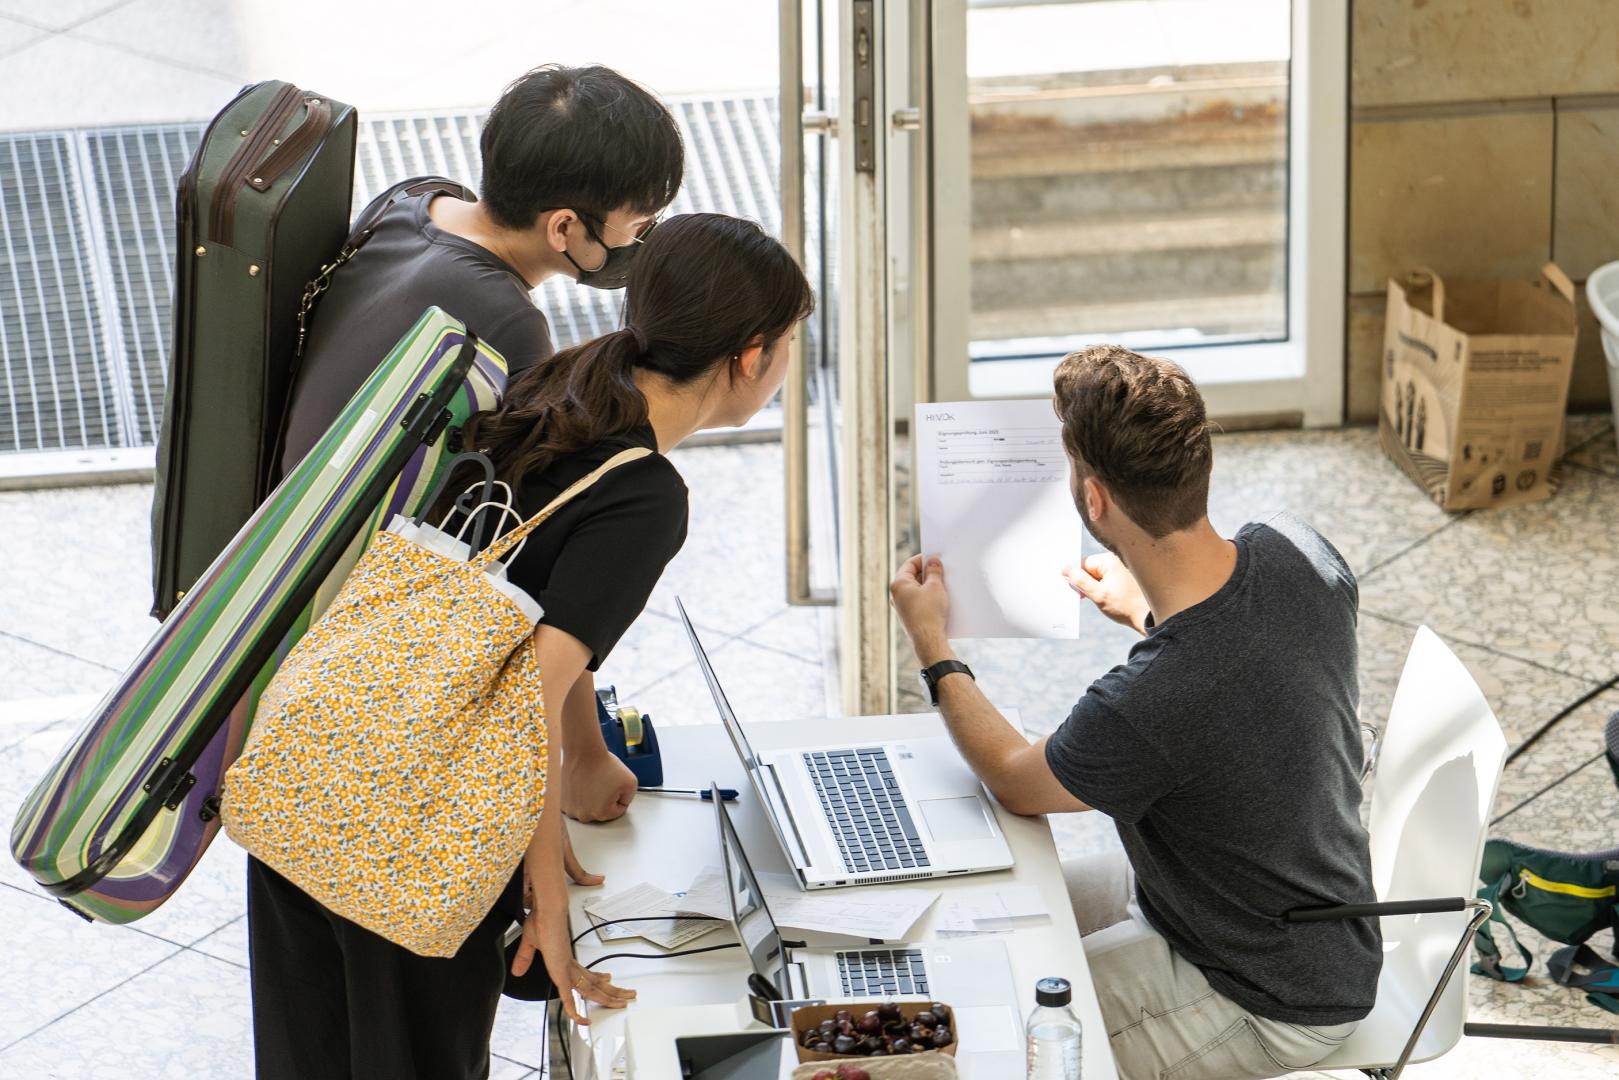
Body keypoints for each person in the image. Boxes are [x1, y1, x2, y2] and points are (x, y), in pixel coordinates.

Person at [248, 213, 814, 1080]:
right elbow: (524, 702)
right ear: (750, 356)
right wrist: (546, 899)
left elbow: (532, 622)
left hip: (311, 772)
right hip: (408, 827)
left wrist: (587, 759)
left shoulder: (566, 383)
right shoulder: (646, 497)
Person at [887, 345, 1381, 1080]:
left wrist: (930, 640)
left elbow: (1014, 781)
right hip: (1250, 905)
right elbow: (1249, 664)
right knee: (996, 914)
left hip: (1266, 991)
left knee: (1004, 1034)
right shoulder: (1298, 549)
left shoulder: (1150, 701)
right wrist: (1149, 612)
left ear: (1094, 501)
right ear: (1200, 465)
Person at [279, 63, 684, 823]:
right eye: (635, 226)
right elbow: (527, 551)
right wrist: (585, 755)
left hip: (290, 556)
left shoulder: (412, 204)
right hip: (357, 642)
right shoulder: (504, 327)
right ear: (564, 228)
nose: (638, 242)